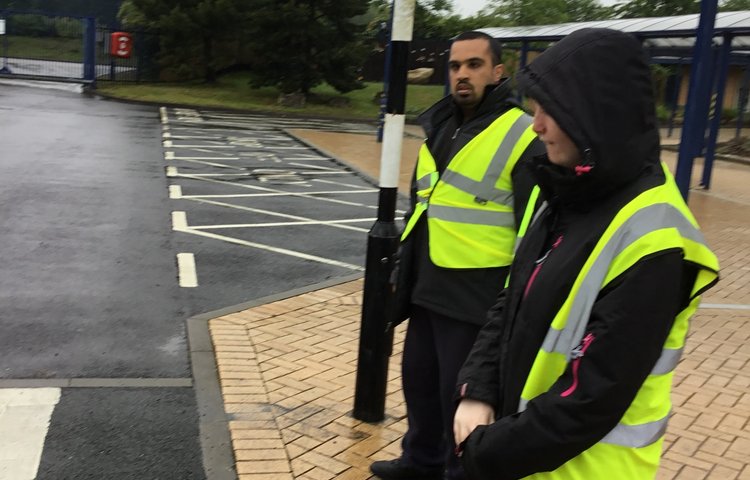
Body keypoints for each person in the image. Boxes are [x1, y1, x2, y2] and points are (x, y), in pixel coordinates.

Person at [453, 28, 720, 480]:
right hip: (525, 459)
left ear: (592, 113)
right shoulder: (566, 190)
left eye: (548, 110)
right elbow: (511, 300)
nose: (536, 125)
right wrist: (479, 387)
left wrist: (486, 453)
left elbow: (592, 398)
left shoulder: (656, 240)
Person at [371, 31, 544, 480]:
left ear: (498, 72)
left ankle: (456, 472)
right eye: (455, 66)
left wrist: (514, 299)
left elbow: (534, 229)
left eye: (473, 65)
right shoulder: (442, 126)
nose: (462, 75)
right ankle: (420, 460)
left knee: (459, 395)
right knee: (420, 383)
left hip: (477, 295)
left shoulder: (521, 133)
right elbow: (424, 205)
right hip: (429, 284)